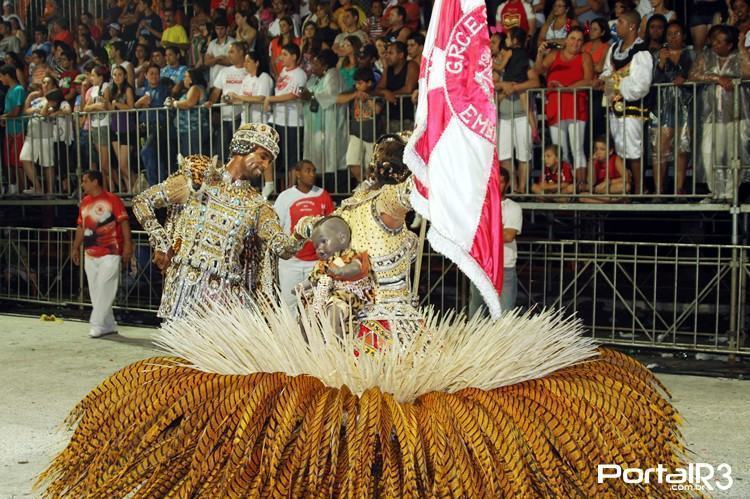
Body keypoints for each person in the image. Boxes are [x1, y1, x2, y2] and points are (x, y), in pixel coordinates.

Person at [132, 123, 310, 319]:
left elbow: (283, 249)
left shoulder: (258, 206)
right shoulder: (198, 179)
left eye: (270, 161)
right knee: (179, 350)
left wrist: (303, 230)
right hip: (185, 287)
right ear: (243, 147)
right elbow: (143, 202)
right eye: (263, 156)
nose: (266, 165)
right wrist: (161, 242)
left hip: (227, 299)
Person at [70, 169, 133, 338]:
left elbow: (124, 222)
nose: (82, 184)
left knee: (106, 287)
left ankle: (96, 323)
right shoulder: (84, 202)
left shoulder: (113, 200)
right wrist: (75, 247)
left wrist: (128, 245)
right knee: (96, 290)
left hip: (111, 251)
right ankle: (108, 324)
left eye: (85, 181)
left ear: (95, 182)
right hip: (90, 253)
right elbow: (80, 227)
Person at [596, 9, 653, 195]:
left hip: (632, 107)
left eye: (619, 22)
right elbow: (606, 72)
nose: (615, 25)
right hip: (615, 107)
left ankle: (639, 187)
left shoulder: (641, 51)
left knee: (633, 148)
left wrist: (616, 84)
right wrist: (604, 81)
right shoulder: (613, 49)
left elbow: (641, 84)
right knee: (620, 147)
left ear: (631, 26)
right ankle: (625, 186)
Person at [299, 215, 376, 336]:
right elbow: (314, 279)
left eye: (323, 242)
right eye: (316, 246)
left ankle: (338, 344)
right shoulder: (323, 264)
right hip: (326, 295)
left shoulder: (352, 254)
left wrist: (341, 271)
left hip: (349, 295)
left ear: (342, 238)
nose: (319, 249)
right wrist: (301, 287)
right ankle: (309, 347)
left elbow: (356, 267)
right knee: (306, 316)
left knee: (333, 313)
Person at [274, 159, 335, 311]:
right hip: (291, 262)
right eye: (307, 171)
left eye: (314, 171)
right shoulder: (285, 197)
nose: (312, 174)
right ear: (297, 174)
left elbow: (332, 226)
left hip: (316, 263)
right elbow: (277, 226)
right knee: (290, 305)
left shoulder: (323, 195)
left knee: (317, 306)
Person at [534, 26, 592, 183]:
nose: (576, 42)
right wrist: (539, 54)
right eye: (573, 38)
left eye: (580, 40)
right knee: (561, 151)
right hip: (556, 107)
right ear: (566, 40)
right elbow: (538, 70)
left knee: (577, 149)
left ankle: (579, 186)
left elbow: (588, 80)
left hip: (576, 106)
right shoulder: (554, 55)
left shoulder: (585, 57)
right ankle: (565, 185)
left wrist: (565, 88)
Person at [469, 166, 522, 316]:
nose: (497, 185)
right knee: (476, 315)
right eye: (494, 181)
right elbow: (474, 233)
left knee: (504, 316)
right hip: (481, 266)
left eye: (501, 182)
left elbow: (509, 236)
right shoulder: (479, 206)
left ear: (507, 184)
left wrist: (486, 232)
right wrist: (498, 230)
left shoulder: (513, 207)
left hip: (505, 266)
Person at [495, 28, 541, 193]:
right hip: (504, 116)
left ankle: (522, 189)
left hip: (521, 114)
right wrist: (502, 85)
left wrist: (515, 87)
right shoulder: (498, 68)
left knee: (524, 154)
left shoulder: (524, 61)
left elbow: (535, 82)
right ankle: (512, 188)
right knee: (504, 155)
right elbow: (490, 84)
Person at [264, 43, 307, 194]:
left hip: (292, 122)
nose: (281, 57)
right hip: (276, 119)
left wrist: (270, 99)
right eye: (281, 54)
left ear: (294, 56)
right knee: (269, 152)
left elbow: (292, 95)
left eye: (285, 54)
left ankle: (290, 191)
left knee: (292, 160)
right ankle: (269, 185)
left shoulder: (300, 74)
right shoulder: (283, 71)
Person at [578, 135, 631, 202]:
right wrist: (591, 164)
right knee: (582, 197)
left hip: (612, 189)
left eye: (602, 149)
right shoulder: (594, 161)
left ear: (610, 151)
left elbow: (626, 177)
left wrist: (608, 182)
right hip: (600, 191)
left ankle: (607, 200)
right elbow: (591, 182)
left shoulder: (616, 159)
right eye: (596, 149)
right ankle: (613, 201)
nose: (598, 152)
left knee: (626, 186)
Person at [0, 64, 26, 194]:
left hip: (18, 131)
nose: (0, 79)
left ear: (7, 76)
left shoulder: (18, 89)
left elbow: (16, 111)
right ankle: (15, 190)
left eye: (1, 76)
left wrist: (3, 116)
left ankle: (23, 189)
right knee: (10, 162)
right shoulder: (9, 90)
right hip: (9, 131)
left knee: (18, 163)